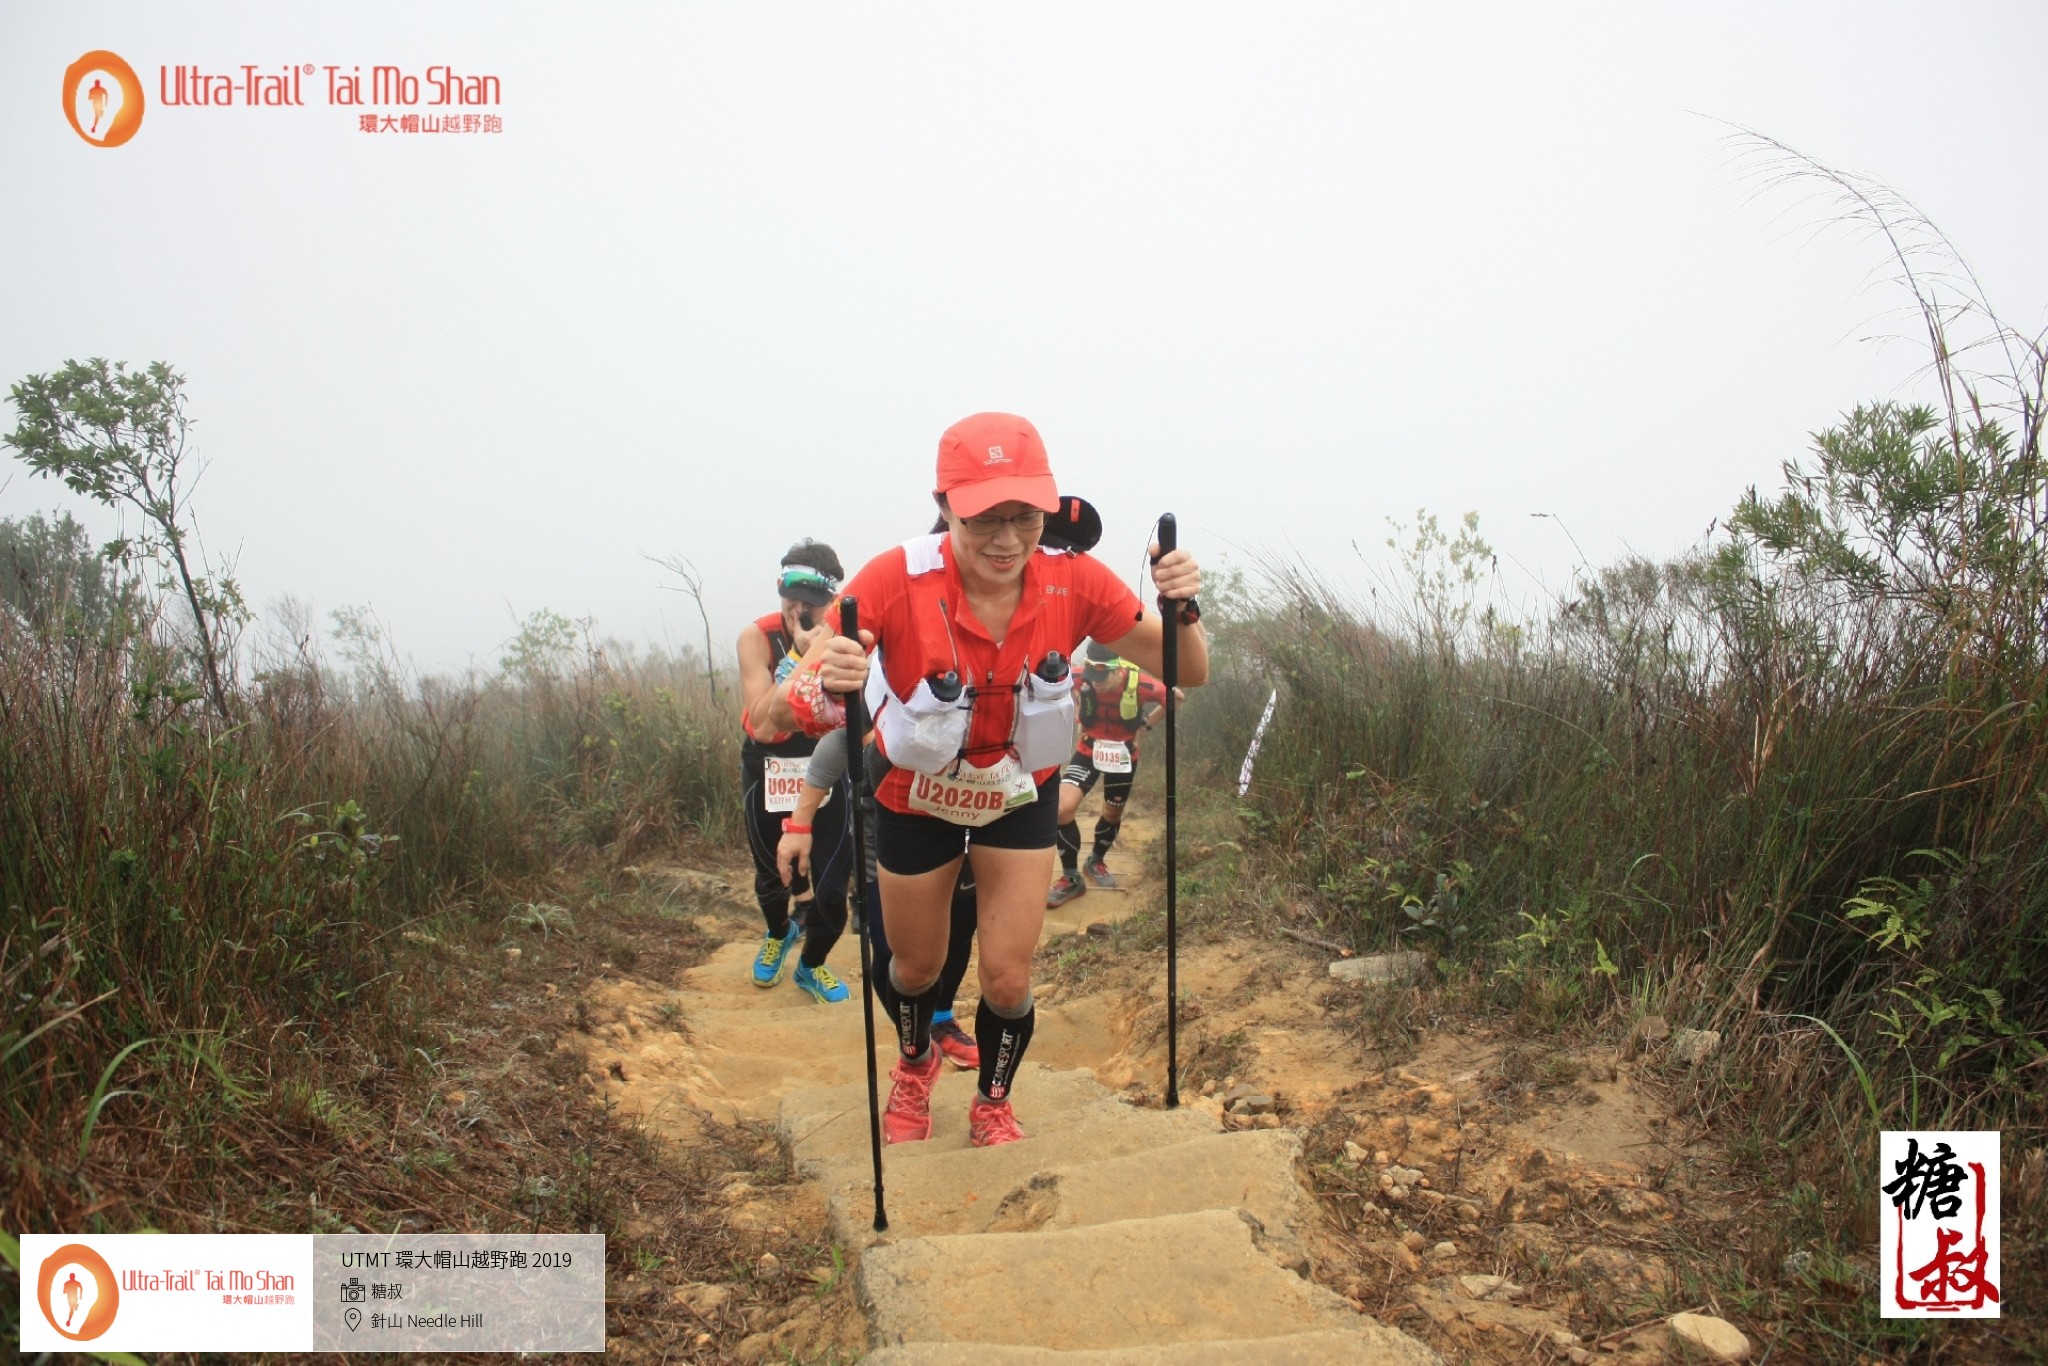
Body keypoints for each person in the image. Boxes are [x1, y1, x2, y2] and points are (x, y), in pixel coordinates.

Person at [762, 412, 1206, 1148]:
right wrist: (823, 681)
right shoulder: (894, 579)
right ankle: (915, 1065)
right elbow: (779, 711)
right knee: (914, 969)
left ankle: (993, 1101)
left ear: (1048, 509)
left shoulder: (1073, 580)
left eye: (1025, 516)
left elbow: (1188, 668)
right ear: (944, 506)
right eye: (984, 518)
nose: (1007, 539)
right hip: (915, 797)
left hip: (1017, 793)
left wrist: (1183, 608)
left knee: (1007, 976)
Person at [777, 728, 981, 1068]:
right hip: (886, 817)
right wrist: (800, 825)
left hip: (966, 810)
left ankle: (940, 1020)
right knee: (889, 948)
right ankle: (916, 1044)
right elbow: (842, 739)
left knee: (959, 923)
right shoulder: (889, 691)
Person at [736, 540, 855, 1003]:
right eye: (790, 594)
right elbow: (764, 726)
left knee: (832, 886)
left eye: (813, 600)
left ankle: (812, 963)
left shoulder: (845, 636)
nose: (799, 609)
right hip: (768, 767)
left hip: (823, 764)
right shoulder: (757, 637)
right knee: (772, 874)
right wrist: (800, 663)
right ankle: (778, 932)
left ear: (832, 600)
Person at [1048, 642, 1175, 906]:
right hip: (1088, 750)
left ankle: (1096, 861)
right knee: (1061, 809)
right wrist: (1076, 704)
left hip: (1123, 756)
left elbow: (1175, 697)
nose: (1097, 684)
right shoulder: (1081, 677)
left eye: (1103, 678)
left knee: (1112, 813)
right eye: (1093, 678)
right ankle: (1071, 878)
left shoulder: (1140, 684)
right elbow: (1058, 682)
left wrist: (1145, 726)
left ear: (1118, 670)